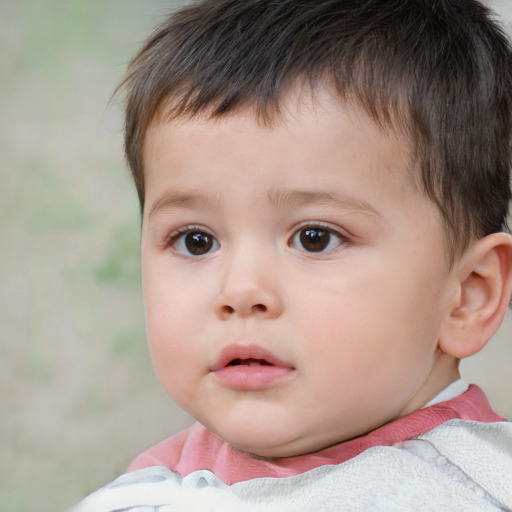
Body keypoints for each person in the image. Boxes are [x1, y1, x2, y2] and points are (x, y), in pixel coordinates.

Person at [72, 0, 512, 510]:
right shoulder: (156, 481)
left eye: (315, 238)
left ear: (466, 295)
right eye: (197, 240)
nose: (240, 290)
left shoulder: (454, 492)